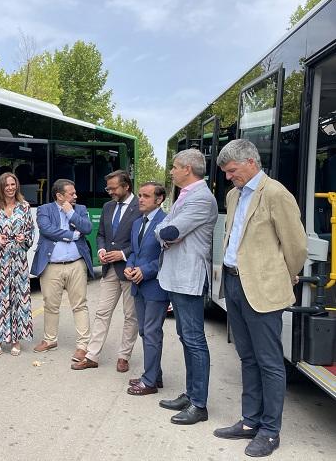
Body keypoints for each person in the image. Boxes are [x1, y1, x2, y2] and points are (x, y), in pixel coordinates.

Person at [213, 139, 307, 457]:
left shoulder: (276, 194)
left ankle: (270, 430)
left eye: (232, 170)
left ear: (251, 162)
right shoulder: (233, 194)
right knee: (248, 358)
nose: (229, 177)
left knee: (269, 362)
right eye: (226, 172)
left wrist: (284, 274)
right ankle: (250, 421)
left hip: (261, 290)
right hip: (234, 284)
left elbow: (296, 246)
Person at [154, 148, 217, 425]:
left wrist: (165, 235)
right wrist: (165, 234)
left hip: (189, 277)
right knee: (185, 337)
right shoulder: (186, 196)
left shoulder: (201, 199)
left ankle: (199, 405)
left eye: (175, 166)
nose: (171, 171)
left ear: (188, 169)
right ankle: (191, 395)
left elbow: (170, 231)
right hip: (177, 277)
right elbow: (164, 227)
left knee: (194, 340)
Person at [71, 170, 139, 372]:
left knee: (130, 315)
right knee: (102, 313)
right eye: (108, 188)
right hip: (109, 270)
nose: (110, 192)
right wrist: (101, 249)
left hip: (129, 269)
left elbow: (142, 240)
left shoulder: (140, 207)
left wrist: (123, 254)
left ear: (126, 186)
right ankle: (92, 355)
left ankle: (124, 357)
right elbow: (101, 234)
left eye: (113, 188)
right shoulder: (108, 206)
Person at [31, 179, 95, 363]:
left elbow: (87, 228)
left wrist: (70, 213)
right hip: (52, 266)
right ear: (59, 196)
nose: (76, 196)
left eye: (75, 193)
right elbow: (46, 229)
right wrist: (72, 235)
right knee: (50, 304)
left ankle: (83, 346)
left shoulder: (80, 209)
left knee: (80, 304)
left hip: (76, 264)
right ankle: (50, 340)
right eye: (71, 193)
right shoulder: (45, 210)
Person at [123, 182, 168, 395]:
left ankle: (149, 381)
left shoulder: (166, 221)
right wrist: (130, 266)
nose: (140, 199)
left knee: (151, 332)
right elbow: (134, 251)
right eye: (140, 195)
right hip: (137, 285)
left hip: (156, 286)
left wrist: (146, 270)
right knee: (144, 331)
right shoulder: (137, 223)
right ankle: (154, 375)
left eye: (146, 196)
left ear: (159, 200)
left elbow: (166, 256)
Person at [0, 172, 35, 356]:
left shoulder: (25, 207)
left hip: (18, 259)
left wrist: (24, 238)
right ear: (1, 187)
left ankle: (16, 339)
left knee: (17, 299)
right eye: (7, 185)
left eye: (13, 184)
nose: (11, 188)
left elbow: (31, 233)